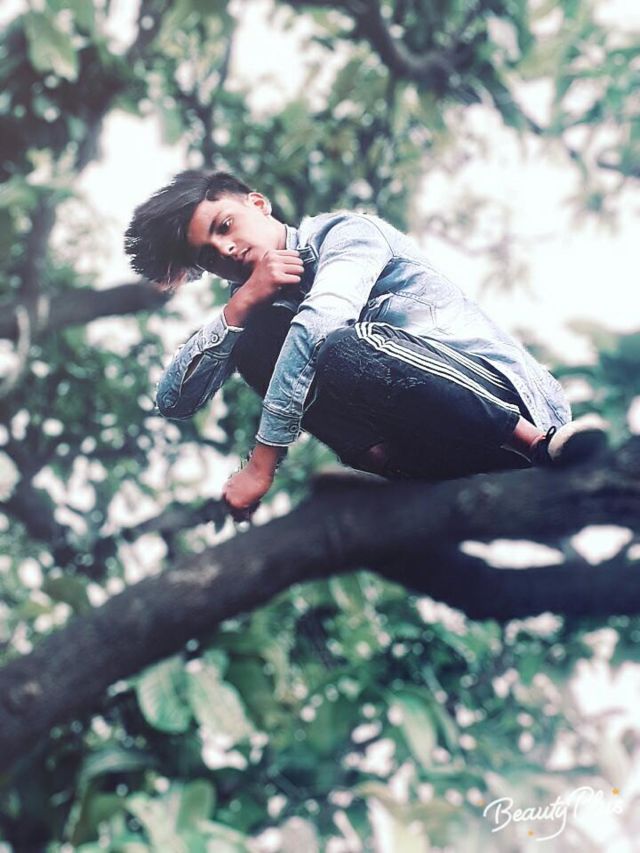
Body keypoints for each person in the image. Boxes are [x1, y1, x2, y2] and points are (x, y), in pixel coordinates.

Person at [124, 170, 606, 520]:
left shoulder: (346, 233)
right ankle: (393, 470)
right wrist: (241, 305)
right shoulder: (257, 304)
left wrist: (261, 464)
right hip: (434, 450)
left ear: (259, 204)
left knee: (339, 348)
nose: (226, 250)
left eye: (225, 226)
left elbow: (321, 326)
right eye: (209, 256)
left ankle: (539, 444)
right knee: (255, 343)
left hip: (505, 400)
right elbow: (173, 401)